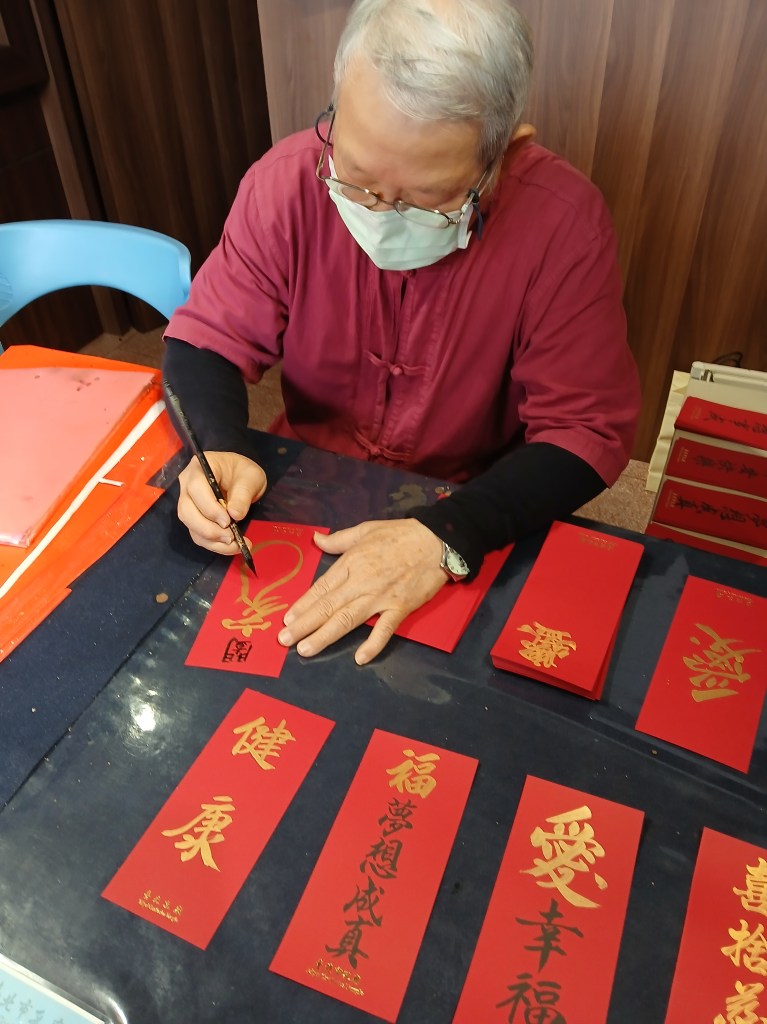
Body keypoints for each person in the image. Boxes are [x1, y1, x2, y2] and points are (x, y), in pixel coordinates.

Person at [162, 0, 641, 665]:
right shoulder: (285, 181)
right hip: (304, 475)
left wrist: (444, 536)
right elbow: (206, 338)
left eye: (426, 198)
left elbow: (584, 430)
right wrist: (216, 447)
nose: (381, 214)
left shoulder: (563, 224)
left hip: (480, 499)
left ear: (502, 153)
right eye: (356, 179)